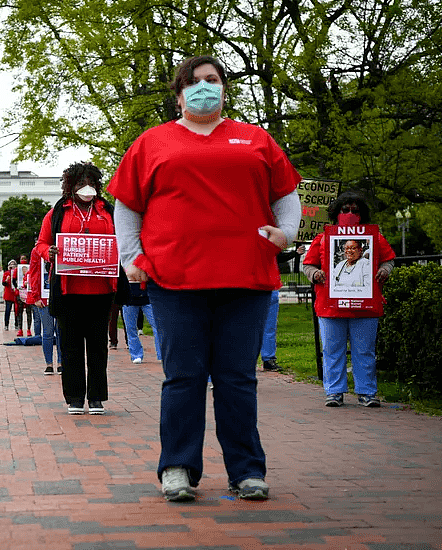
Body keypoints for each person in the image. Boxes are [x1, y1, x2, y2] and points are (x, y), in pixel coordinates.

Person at [108, 55, 302, 501]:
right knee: (183, 376)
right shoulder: (152, 143)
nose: (204, 88)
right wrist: (131, 256)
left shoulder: (255, 140)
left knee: (237, 378)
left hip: (246, 277)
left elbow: (287, 194)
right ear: (179, 95)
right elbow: (128, 205)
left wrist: (286, 233)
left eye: (212, 80)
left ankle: (247, 471)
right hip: (174, 281)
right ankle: (177, 467)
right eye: (194, 83)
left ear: (224, 88)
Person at [35, 161, 118, 416]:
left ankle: (96, 398)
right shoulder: (58, 211)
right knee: (70, 346)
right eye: (81, 184)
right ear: (71, 187)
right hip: (69, 291)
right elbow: (41, 243)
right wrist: (48, 253)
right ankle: (74, 397)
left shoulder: (108, 210)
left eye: (91, 183)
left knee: (97, 346)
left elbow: (123, 239)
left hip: (100, 291)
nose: (87, 188)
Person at [302, 191, 395, 408]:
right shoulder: (323, 239)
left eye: (355, 210)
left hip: (366, 308)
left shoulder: (376, 238)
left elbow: (389, 260)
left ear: (362, 213)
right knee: (333, 350)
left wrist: (385, 270)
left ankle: (367, 392)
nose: (350, 213)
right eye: (345, 210)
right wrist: (315, 274)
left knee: (365, 351)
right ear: (336, 213)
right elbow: (308, 265)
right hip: (331, 308)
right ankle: (334, 392)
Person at [260, 245, 306, 372]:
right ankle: (247, 360)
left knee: (269, 327)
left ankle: (268, 359)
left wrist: (295, 253)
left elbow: (279, 256)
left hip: (270, 288)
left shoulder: (269, 242)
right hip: (253, 289)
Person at [26, 246, 62, 374]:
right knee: (47, 331)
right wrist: (35, 296)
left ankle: (60, 362)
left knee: (60, 331)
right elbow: (34, 273)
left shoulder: (61, 243)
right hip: (44, 298)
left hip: (60, 296)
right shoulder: (36, 250)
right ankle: (49, 364)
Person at [122, 279, 162, 365]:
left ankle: (162, 354)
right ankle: (136, 355)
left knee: (158, 325)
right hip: (129, 297)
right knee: (130, 328)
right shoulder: (122, 265)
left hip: (147, 296)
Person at [2, 259, 19, 330]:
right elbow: (3, 283)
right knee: (7, 310)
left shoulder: (18, 273)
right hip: (8, 294)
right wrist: (6, 280)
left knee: (17, 310)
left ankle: (17, 324)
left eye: (14, 264)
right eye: (10, 264)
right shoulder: (6, 273)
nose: (12, 266)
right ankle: (6, 325)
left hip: (15, 294)